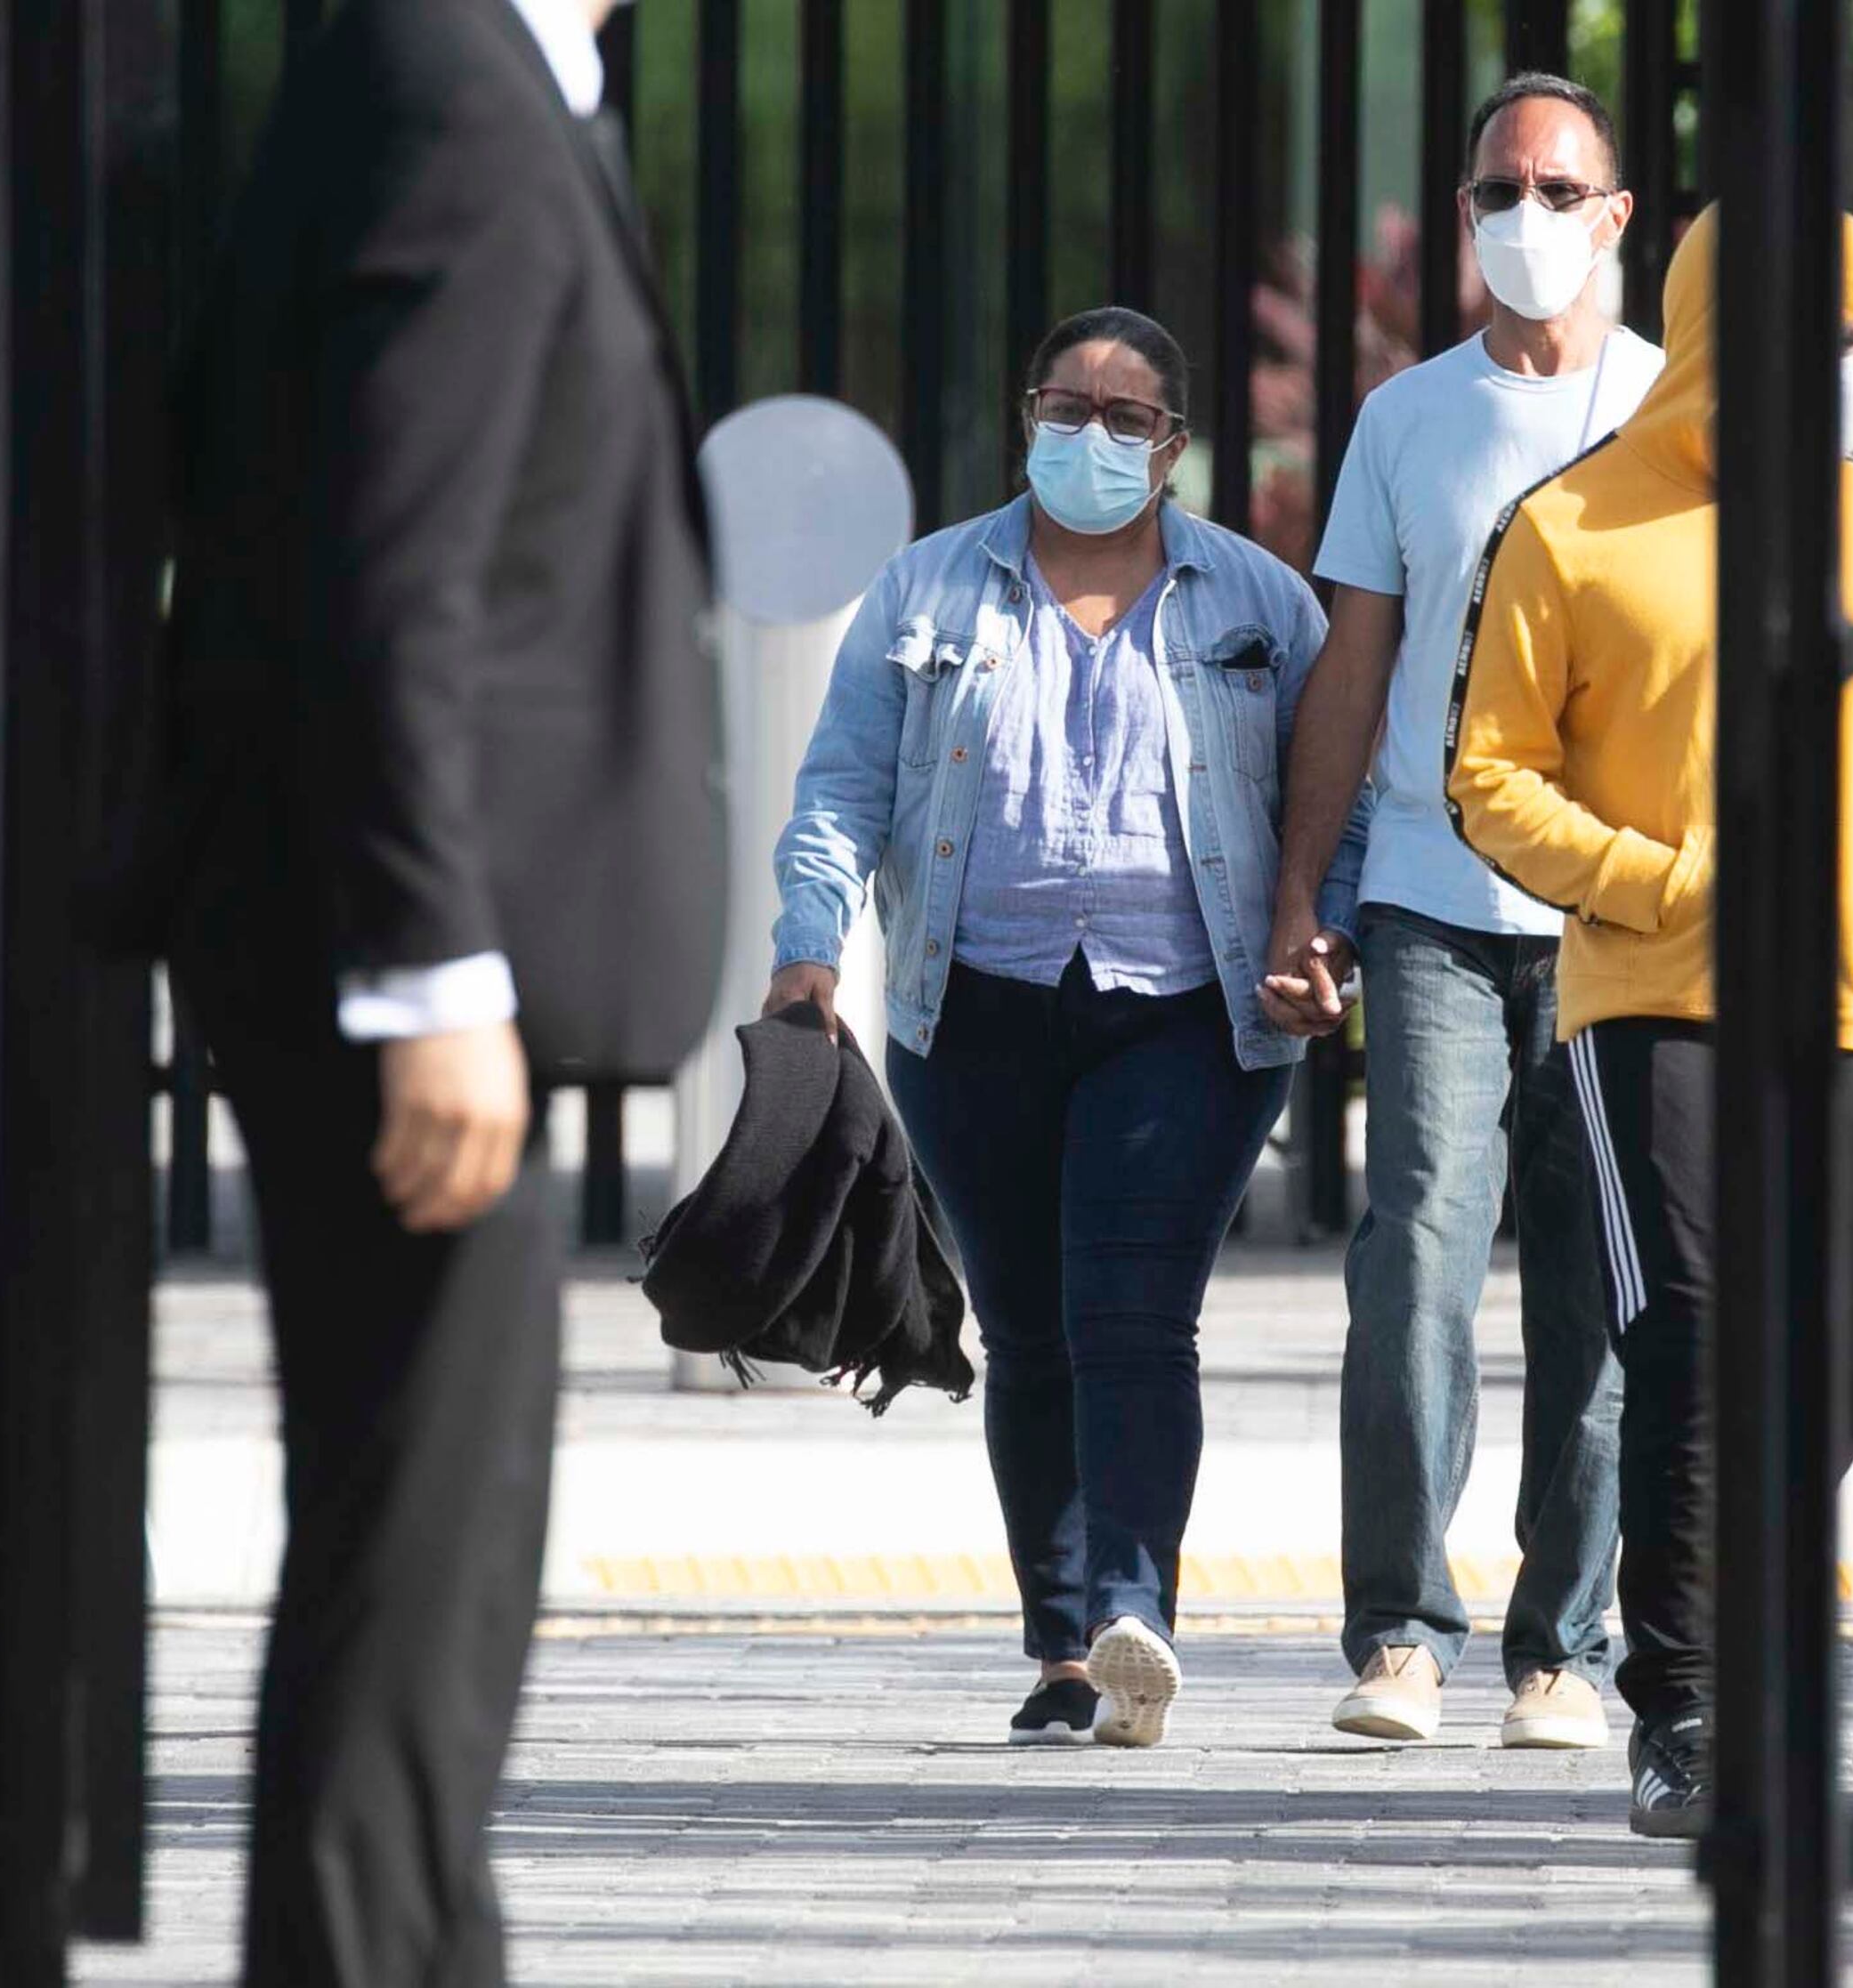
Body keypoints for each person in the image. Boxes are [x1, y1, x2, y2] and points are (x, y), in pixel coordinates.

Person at [142, 0, 719, 1980]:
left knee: (436, 1586)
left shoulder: (465, 76)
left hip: (395, 960)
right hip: (390, 975)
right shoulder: (445, 80)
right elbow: (390, 564)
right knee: (412, 1594)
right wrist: (428, 971)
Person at [768, 307, 1362, 1750]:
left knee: (1136, 1311)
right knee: (1029, 1327)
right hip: (968, 1006)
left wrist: (1323, 936)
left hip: (1187, 1009)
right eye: (1064, 405)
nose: (1087, 438)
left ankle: (1132, 1602)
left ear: (1173, 446)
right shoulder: (929, 591)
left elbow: (1331, 800)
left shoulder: (1259, 604)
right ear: (1022, 416)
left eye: (1124, 415)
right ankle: (1061, 1649)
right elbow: (843, 785)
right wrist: (807, 953)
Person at [1446, 206, 1853, 1837]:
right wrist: (1665, 880)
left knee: (1849, 1365)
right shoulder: (1570, 526)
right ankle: (1690, 1709)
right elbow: (1488, 777)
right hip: (1650, 1012)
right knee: (1698, 1348)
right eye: (1835, 333)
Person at [1261, 73, 1661, 1752]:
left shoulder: (1674, 415)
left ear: (1616, 215)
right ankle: (1400, 1632)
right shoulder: (1406, 419)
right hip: (1431, 893)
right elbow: (1353, 660)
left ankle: (1564, 1645)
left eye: (1559, 190)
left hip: (1616, 913)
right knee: (1413, 1251)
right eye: (1501, 187)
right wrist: (1303, 882)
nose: (1526, 217)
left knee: (1596, 1274)